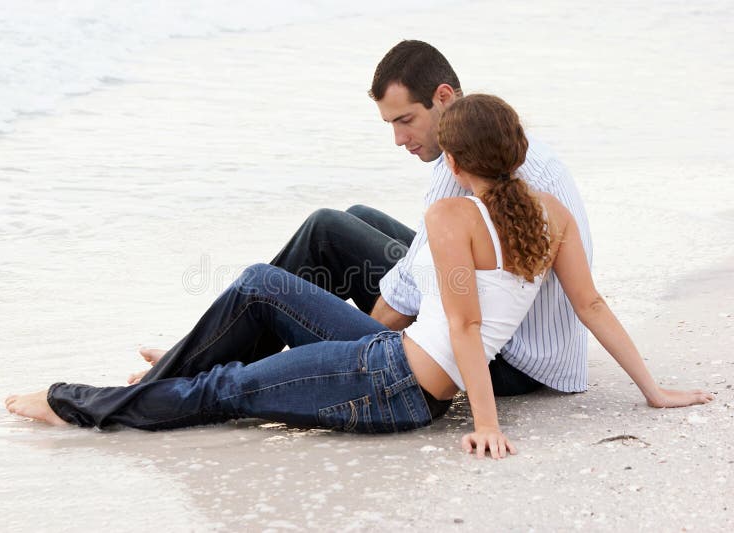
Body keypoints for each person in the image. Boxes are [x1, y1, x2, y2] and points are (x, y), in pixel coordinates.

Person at [6, 94, 713, 459]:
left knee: (226, 390)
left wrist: (487, 426)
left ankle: (72, 403)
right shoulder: (548, 212)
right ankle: (170, 364)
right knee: (260, 282)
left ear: (456, 163)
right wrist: (652, 390)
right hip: (390, 358)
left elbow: (466, 325)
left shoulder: (452, 215)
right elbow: (591, 304)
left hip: (392, 384)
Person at [130, 40, 593, 403]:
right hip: (535, 345)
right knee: (356, 219)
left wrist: (344, 349)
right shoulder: (501, 138)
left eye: (405, 120)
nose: (398, 138)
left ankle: (195, 360)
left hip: (503, 362)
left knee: (326, 232)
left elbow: (404, 298)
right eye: (391, 124)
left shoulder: (460, 170)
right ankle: (212, 349)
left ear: (443, 97)